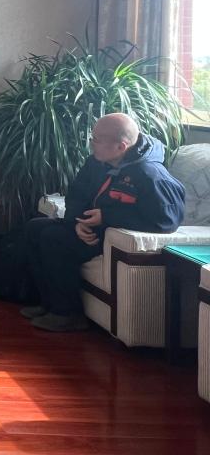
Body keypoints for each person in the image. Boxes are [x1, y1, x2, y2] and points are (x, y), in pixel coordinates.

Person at [22, 113, 185, 332]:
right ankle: (48, 303)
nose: (91, 143)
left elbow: (167, 220)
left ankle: (67, 314)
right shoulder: (97, 162)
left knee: (54, 239)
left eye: (97, 140)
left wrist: (107, 217)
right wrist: (77, 222)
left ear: (121, 146)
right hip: (90, 227)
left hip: (111, 236)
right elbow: (76, 195)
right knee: (34, 228)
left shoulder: (150, 174)